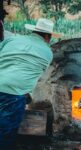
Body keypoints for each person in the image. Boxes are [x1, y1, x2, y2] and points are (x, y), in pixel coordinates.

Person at [0, 18, 61, 150]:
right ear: (47, 36)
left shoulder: (12, 39)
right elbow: (35, 74)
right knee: (5, 132)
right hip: (13, 94)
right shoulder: (47, 53)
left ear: (34, 31)